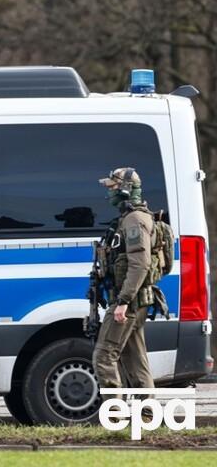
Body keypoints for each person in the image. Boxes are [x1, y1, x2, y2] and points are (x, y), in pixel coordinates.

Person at [93, 167, 155, 402]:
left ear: (126, 189)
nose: (109, 192)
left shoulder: (134, 220)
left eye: (112, 187)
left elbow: (140, 264)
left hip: (128, 302)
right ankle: (147, 414)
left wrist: (123, 302)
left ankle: (115, 414)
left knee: (104, 355)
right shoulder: (129, 218)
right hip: (131, 301)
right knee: (134, 358)